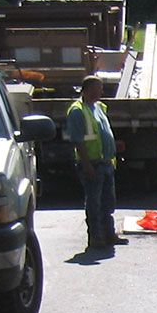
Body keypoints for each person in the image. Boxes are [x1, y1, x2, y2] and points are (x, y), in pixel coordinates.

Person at [67, 75, 124, 251]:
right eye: (99, 88)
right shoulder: (77, 111)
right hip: (93, 164)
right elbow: (78, 141)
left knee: (108, 201)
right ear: (89, 89)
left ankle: (108, 233)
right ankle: (96, 237)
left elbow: (101, 133)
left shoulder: (99, 107)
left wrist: (114, 145)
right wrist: (87, 165)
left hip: (106, 162)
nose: (102, 91)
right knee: (94, 203)